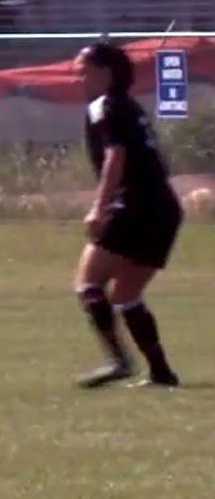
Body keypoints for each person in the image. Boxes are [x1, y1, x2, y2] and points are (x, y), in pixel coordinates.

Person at [72, 42, 183, 389]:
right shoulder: (130, 107)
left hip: (134, 205)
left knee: (88, 284)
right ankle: (161, 372)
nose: (79, 79)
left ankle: (118, 361)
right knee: (126, 296)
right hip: (165, 209)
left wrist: (99, 208)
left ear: (107, 74)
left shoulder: (104, 106)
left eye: (83, 72)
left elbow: (115, 156)